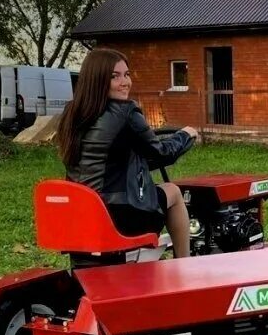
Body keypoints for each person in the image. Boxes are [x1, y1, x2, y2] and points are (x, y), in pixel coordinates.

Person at [57, 48, 198, 257]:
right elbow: (161, 153)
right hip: (118, 215)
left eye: (127, 74)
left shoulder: (73, 113)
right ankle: (185, 263)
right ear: (97, 80)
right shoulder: (125, 112)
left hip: (81, 215)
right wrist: (186, 134)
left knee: (164, 190)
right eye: (115, 77)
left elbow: (106, 162)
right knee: (174, 193)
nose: (125, 82)